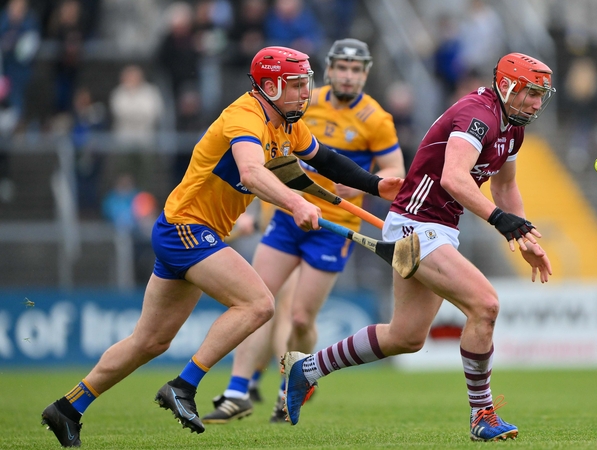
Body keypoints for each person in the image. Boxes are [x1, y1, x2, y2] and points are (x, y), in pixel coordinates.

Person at [39, 45, 402, 448]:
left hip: (188, 231)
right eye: (296, 85)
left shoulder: (287, 123)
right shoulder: (245, 116)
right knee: (259, 304)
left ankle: (68, 408)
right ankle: (184, 385)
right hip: (187, 229)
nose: (305, 93)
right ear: (268, 86)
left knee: (151, 341)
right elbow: (251, 170)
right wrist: (296, 202)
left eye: (306, 83)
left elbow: (325, 160)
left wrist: (375, 185)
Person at [282, 52, 555, 442]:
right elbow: (454, 179)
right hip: (415, 225)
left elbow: (505, 186)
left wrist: (523, 234)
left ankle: (307, 369)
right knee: (485, 305)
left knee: (405, 337)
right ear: (508, 85)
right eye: (531, 93)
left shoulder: (514, 127)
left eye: (542, 95)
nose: (536, 103)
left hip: (437, 228)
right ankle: (483, 415)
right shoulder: (479, 115)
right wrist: (500, 221)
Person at [201, 37, 405, 424]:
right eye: (341, 68)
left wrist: (366, 182)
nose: (347, 75)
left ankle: (291, 385)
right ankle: (236, 391)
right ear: (329, 70)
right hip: (287, 217)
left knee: (299, 319)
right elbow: (275, 156)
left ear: (365, 74)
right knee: (255, 301)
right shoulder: (300, 97)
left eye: (355, 69)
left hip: (335, 227)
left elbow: (394, 169)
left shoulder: (376, 118)